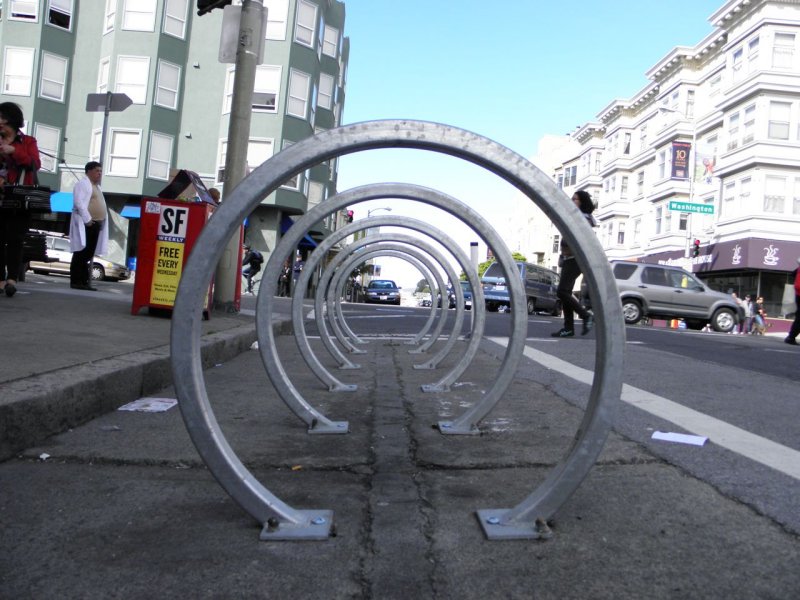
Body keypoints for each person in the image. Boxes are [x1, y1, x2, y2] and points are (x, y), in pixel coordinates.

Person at [0, 102, 41, 298]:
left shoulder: (28, 141)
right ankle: (0, 279)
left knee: (16, 239)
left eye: (2, 118)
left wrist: (13, 151)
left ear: (11, 120)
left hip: (20, 198)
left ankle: (12, 279)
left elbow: (35, 163)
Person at [552, 190, 596, 338]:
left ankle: (585, 315)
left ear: (582, 202)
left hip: (576, 258)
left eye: (575, 199)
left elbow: (580, 240)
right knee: (566, 293)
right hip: (569, 258)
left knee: (562, 291)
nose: (572, 200)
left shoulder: (583, 219)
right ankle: (568, 328)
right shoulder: (577, 217)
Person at [69, 161, 108, 291]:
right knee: (81, 252)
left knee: (88, 253)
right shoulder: (83, 184)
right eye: (97, 171)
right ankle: (76, 281)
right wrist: (88, 220)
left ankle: (84, 281)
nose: (100, 173)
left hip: (96, 224)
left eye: (101, 171)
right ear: (89, 171)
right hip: (87, 223)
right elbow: (79, 203)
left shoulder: (97, 186)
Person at [785, 257, 800, 346]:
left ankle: (791, 337)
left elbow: (792, 274)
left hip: (798, 295)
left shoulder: (798, 269)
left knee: (799, 317)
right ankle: (791, 337)